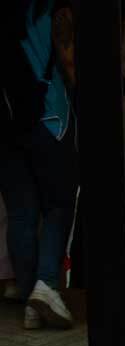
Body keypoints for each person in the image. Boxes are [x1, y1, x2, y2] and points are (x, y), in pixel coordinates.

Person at [0, 0, 78, 329]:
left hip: (6, 128)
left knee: (21, 213)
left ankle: (31, 293)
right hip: (50, 119)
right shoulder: (55, 10)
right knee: (58, 206)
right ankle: (45, 286)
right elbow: (69, 62)